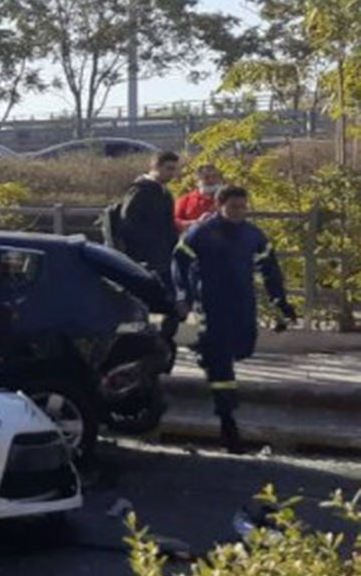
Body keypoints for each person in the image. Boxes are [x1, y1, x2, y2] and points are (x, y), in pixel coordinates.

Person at [173, 185, 297, 452]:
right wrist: (183, 296)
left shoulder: (252, 234)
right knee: (222, 365)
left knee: (243, 348)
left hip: (242, 305)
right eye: (233, 207)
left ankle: (207, 355)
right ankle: (227, 423)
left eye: (243, 207)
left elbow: (269, 268)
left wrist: (280, 301)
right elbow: (179, 261)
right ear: (220, 206)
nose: (239, 212)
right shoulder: (203, 232)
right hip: (212, 306)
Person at [116, 150, 183, 336]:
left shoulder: (163, 192)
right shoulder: (141, 190)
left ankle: (162, 337)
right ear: (155, 167)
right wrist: (141, 253)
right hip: (145, 258)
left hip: (162, 256)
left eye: (174, 169)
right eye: (168, 169)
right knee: (151, 300)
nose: (172, 173)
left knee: (167, 300)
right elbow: (128, 223)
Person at [174, 163, 224, 232]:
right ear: (198, 179)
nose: (211, 180)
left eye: (214, 176)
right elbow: (174, 221)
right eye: (206, 177)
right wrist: (195, 223)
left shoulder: (228, 198)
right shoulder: (186, 199)